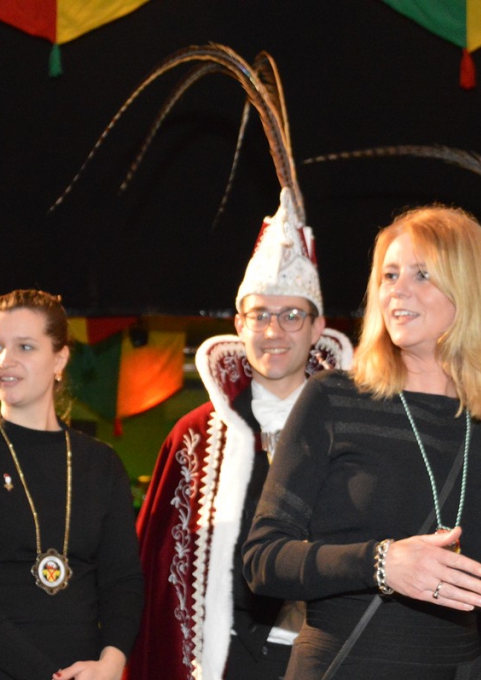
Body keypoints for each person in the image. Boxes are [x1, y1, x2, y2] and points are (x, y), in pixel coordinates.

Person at [242, 206, 481, 680]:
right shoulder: (334, 399)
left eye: (422, 274)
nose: (397, 290)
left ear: (470, 290)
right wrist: (381, 563)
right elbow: (264, 559)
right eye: (389, 275)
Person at [129, 188, 353, 680]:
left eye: (292, 315)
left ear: (318, 327)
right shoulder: (195, 438)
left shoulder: (355, 430)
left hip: (329, 658)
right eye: (260, 315)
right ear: (238, 324)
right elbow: (155, 577)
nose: (274, 331)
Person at [0, 289, 144, 680]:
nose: (4, 360)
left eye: (24, 346)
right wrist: (47, 675)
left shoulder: (101, 464)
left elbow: (122, 580)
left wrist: (112, 661)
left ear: (60, 359)